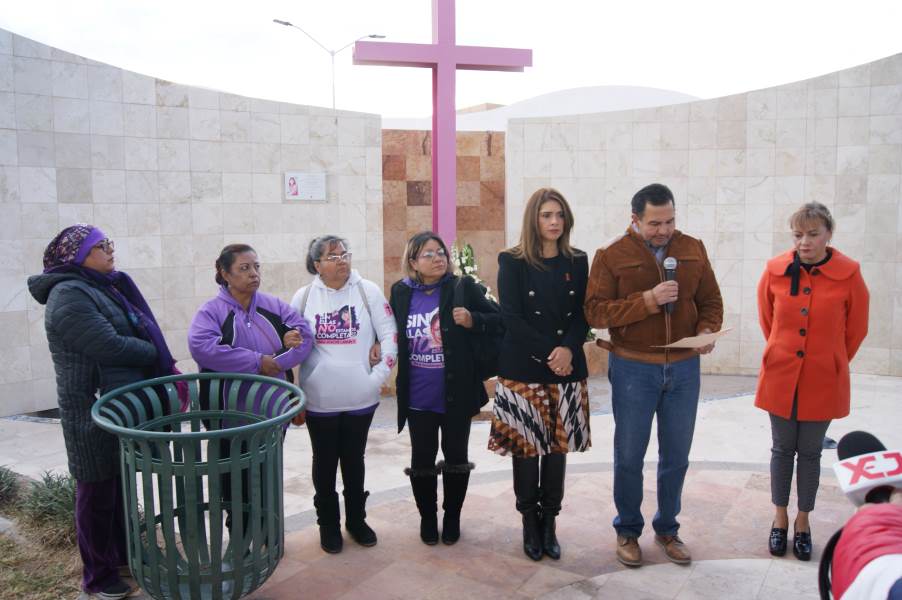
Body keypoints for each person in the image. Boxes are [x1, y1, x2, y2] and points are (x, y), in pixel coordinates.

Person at [27, 224, 182, 599]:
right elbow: (109, 346)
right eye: (102, 246)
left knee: (119, 489)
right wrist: (153, 353)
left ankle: (123, 557)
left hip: (115, 406)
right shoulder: (68, 295)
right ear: (78, 256)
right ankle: (97, 578)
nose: (111, 251)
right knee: (96, 494)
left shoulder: (101, 287)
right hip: (89, 412)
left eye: (109, 244)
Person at [584, 183, 723, 567]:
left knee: (676, 455)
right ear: (635, 219)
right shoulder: (611, 255)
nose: (664, 230)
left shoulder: (692, 248)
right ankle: (628, 530)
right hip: (633, 369)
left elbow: (710, 299)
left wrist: (708, 330)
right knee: (629, 455)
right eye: (654, 223)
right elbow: (595, 312)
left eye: (669, 221)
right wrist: (647, 301)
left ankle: (668, 529)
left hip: (683, 369)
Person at [756, 202, 869, 561]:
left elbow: (857, 329)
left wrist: (832, 359)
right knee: (780, 449)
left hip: (823, 377)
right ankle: (779, 519)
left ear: (828, 234)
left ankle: (803, 521)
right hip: (780, 375)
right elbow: (766, 319)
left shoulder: (849, 273)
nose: (804, 242)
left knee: (810, 453)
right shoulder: (774, 270)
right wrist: (782, 352)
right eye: (798, 234)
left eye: (813, 234)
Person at [487, 188, 590, 562]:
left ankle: (550, 523)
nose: (554, 222)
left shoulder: (578, 261)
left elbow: (582, 313)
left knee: (557, 449)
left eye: (560, 215)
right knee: (526, 449)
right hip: (524, 367)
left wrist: (568, 349)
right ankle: (530, 521)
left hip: (566, 368)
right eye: (547, 215)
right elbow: (511, 317)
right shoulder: (512, 260)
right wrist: (552, 353)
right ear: (534, 219)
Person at [188, 243, 313, 544]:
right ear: (223, 273)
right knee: (233, 480)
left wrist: (277, 362)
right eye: (244, 268)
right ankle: (241, 540)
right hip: (227, 418)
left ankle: (269, 536)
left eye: (256, 266)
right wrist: (258, 362)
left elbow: (305, 336)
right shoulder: (211, 312)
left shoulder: (273, 306)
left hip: (270, 415)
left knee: (267, 475)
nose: (254, 274)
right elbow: (202, 348)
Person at [389, 231, 501, 546]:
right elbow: (389, 331)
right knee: (422, 461)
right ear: (413, 261)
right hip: (417, 396)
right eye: (429, 253)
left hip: (457, 393)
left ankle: (452, 517)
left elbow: (500, 320)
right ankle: (428, 518)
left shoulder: (462, 287)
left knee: (456, 458)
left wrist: (472, 320)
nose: (438, 258)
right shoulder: (400, 292)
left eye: (441, 252)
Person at [289, 235, 397, 554]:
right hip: (320, 399)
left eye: (345, 254)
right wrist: (295, 389)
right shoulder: (305, 296)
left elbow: (390, 334)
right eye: (332, 256)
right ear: (316, 265)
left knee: (354, 460)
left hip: (360, 399)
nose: (341, 260)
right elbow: (290, 344)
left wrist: (377, 378)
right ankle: (328, 525)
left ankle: (356, 520)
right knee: (324, 462)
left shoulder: (368, 291)